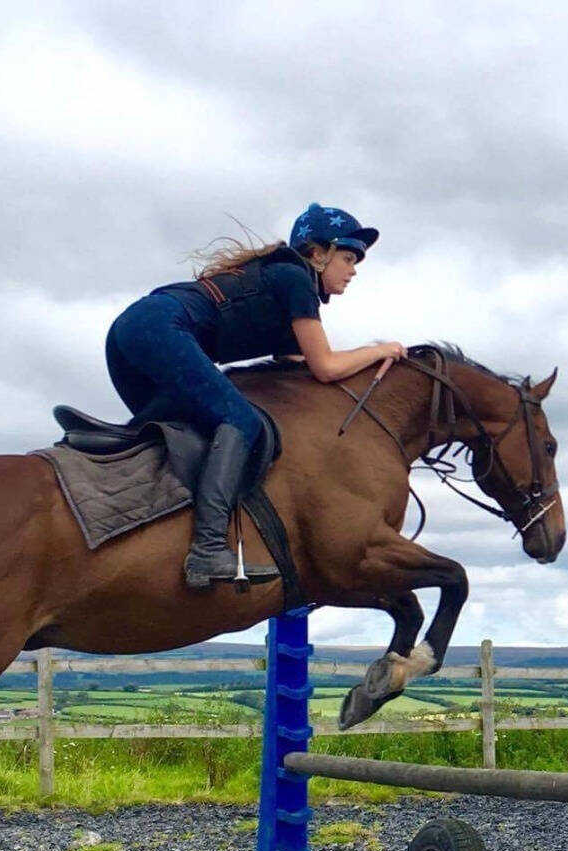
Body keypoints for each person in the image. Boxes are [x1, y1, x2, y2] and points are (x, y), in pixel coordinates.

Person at [105, 203, 407, 590]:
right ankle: (208, 548)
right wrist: (382, 349)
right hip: (160, 326)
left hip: (132, 332)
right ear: (318, 255)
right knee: (242, 421)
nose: (352, 271)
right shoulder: (295, 279)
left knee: (183, 434)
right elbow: (326, 366)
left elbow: (305, 368)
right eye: (348, 258)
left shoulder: (282, 286)